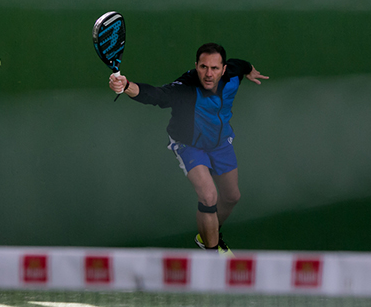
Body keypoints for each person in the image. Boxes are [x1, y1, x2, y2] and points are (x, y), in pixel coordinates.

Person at [108, 43, 269, 253]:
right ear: (196, 66)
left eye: (214, 68)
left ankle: (208, 234)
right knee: (209, 196)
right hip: (189, 143)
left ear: (224, 69)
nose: (208, 74)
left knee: (231, 197)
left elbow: (241, 65)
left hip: (220, 142)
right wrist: (126, 85)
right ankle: (211, 256)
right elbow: (157, 95)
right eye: (203, 67)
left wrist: (249, 70)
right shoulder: (186, 87)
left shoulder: (234, 73)